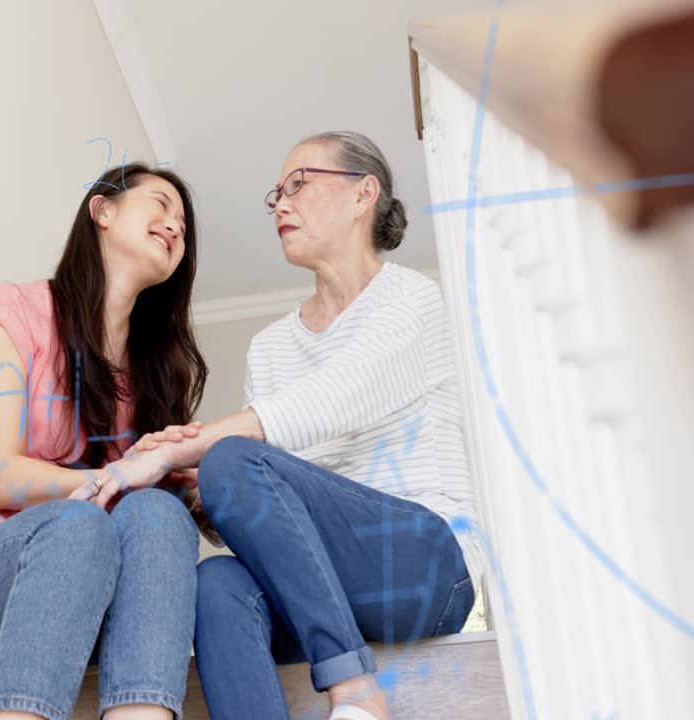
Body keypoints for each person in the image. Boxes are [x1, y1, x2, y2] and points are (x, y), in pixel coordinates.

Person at [108, 132, 485, 720]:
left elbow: (334, 400)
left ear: (364, 194)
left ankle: (354, 689)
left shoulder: (413, 299)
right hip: (327, 588)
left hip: (425, 568)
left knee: (233, 456)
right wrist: (203, 498)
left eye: (298, 185)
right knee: (219, 584)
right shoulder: (271, 347)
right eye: (276, 196)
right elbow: (273, 512)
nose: (280, 204)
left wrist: (189, 447)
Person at [0, 162, 209, 720]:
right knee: (79, 522)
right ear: (102, 211)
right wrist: (116, 476)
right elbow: (2, 477)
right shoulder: (14, 314)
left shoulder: (154, 371)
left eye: (183, 222)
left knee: (158, 513)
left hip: (99, 609)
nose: (175, 224)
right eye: (160, 204)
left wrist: (191, 484)